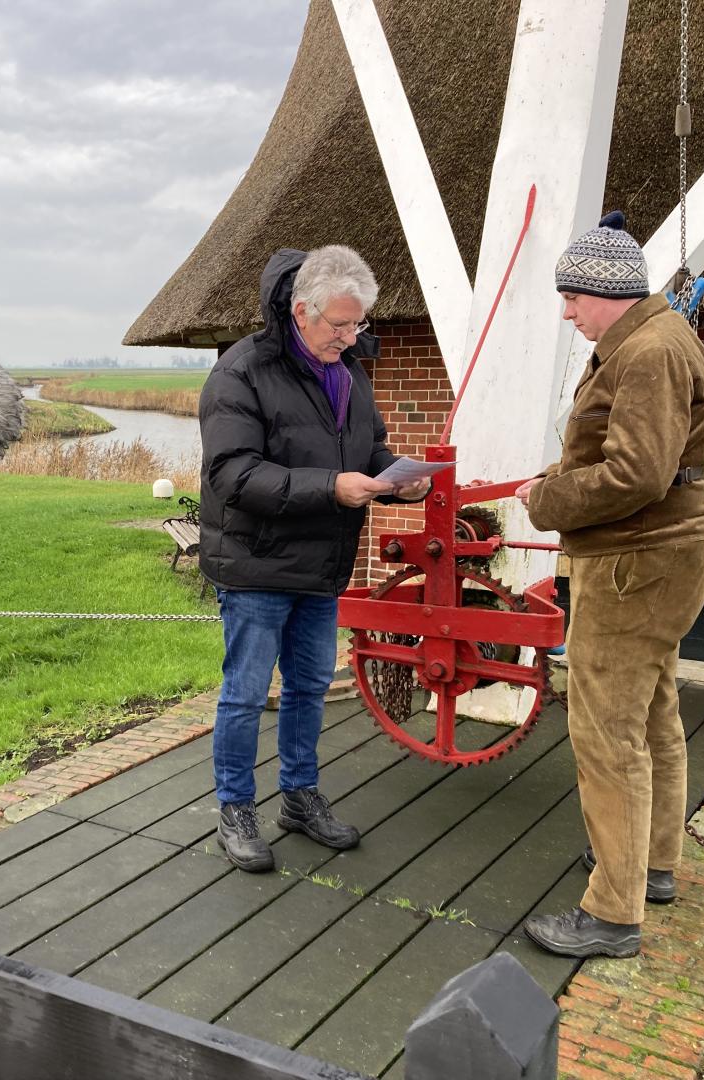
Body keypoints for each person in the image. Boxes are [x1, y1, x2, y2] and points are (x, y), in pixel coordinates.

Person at [515, 211, 704, 958]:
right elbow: (627, 454)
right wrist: (558, 477)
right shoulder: (647, 340)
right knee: (653, 715)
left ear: (604, 291)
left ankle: (611, 912)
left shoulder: (648, 353)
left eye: (572, 297)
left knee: (606, 732)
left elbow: (636, 474)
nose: (566, 312)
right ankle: (650, 868)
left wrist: (547, 501)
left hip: (637, 564)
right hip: (658, 557)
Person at [197, 244, 430, 873]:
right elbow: (232, 474)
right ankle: (235, 809)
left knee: (308, 688)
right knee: (245, 693)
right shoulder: (239, 373)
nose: (351, 337)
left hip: (322, 560)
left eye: (358, 325)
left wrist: (401, 476)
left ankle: (299, 797)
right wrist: (329, 487)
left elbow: (370, 446)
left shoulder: (349, 370)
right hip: (255, 563)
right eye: (340, 325)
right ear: (302, 311)